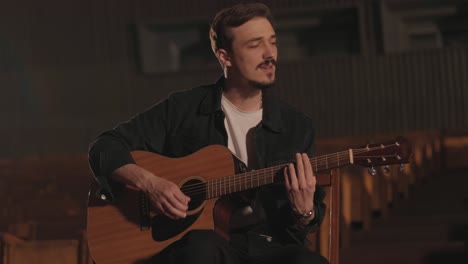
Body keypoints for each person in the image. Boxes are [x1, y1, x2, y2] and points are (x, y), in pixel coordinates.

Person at [88, 3, 328, 264]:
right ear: (225, 57)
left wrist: (304, 210)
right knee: (201, 247)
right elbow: (104, 147)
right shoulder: (183, 109)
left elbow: (304, 225)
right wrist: (150, 183)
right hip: (196, 244)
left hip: (267, 247)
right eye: (255, 45)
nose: (270, 54)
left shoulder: (297, 127)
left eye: (272, 42)